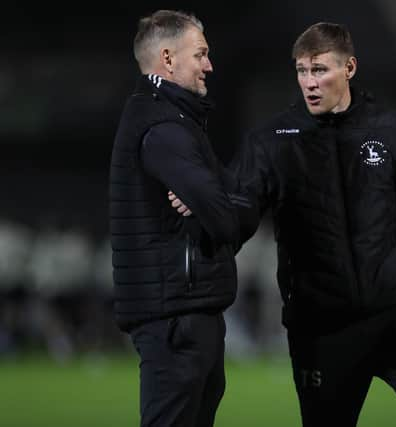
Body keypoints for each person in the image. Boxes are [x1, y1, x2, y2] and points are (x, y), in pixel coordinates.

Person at [174, 21, 396, 426]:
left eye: (320, 69)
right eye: (302, 70)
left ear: (349, 68)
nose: (309, 81)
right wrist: (202, 204)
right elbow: (238, 211)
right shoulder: (272, 139)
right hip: (321, 329)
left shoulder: (392, 130)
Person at [109, 10, 250, 427]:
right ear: (168, 60)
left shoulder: (176, 121)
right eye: (201, 54)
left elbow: (239, 204)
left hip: (186, 314)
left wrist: (217, 202)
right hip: (176, 318)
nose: (210, 65)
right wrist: (219, 205)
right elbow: (227, 220)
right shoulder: (165, 128)